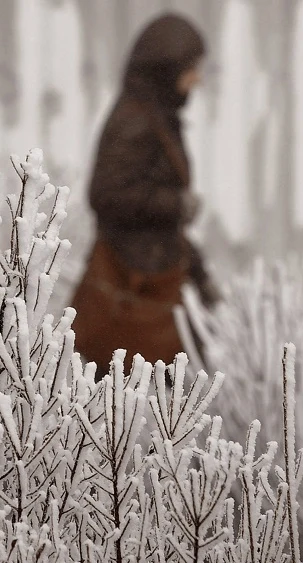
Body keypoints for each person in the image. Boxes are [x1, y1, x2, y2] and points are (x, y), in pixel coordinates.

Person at [69, 13, 221, 379]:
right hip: (136, 293)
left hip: (152, 286)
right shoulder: (136, 119)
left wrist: (197, 271)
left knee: (161, 408)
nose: (198, 78)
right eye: (192, 67)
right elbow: (106, 194)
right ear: (166, 68)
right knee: (149, 409)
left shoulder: (155, 114)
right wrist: (177, 204)